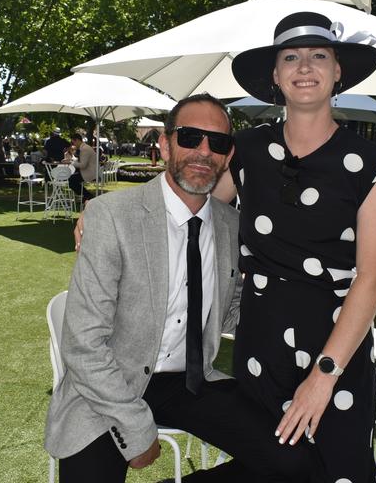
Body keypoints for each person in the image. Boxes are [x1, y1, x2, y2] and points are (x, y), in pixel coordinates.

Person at [49, 94, 322, 483]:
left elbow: (231, 309)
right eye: (191, 137)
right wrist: (135, 425)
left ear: (228, 157)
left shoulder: (230, 224)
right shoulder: (112, 217)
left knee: (296, 464)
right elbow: (83, 344)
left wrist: (300, 304)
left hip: (191, 381)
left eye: (218, 143)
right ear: (165, 144)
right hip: (109, 384)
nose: (204, 151)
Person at [224, 12, 376, 482]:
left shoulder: (371, 163)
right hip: (259, 345)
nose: (305, 67)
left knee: (337, 468)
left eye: (319, 55)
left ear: (338, 70)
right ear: (276, 76)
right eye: (291, 57)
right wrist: (106, 214)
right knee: (265, 468)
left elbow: (375, 277)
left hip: (336, 350)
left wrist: (323, 376)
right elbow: (189, 202)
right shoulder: (245, 151)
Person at [62, 133, 97, 203]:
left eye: (73, 142)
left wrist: (70, 162)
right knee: (72, 179)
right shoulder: (84, 147)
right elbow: (81, 161)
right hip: (88, 170)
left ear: (77, 140)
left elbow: (83, 165)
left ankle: (88, 196)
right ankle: (86, 196)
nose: (73, 144)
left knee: (72, 180)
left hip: (89, 172)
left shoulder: (84, 149)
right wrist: (70, 160)